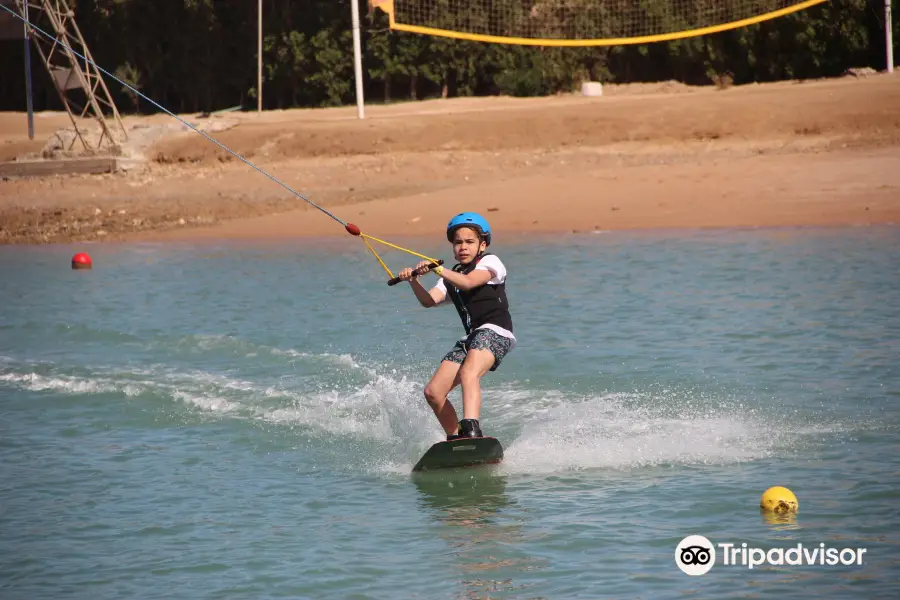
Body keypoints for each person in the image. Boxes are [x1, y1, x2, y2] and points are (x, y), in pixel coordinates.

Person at [397, 212, 516, 440]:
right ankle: (456, 439)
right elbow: (429, 301)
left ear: (482, 245)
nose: (463, 247)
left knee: (469, 372)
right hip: (472, 338)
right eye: (458, 242)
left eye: (469, 242)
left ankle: (472, 430)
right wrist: (413, 280)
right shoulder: (450, 277)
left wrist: (438, 269)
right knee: (433, 392)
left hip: (496, 332)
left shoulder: (490, 262)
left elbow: (470, 282)